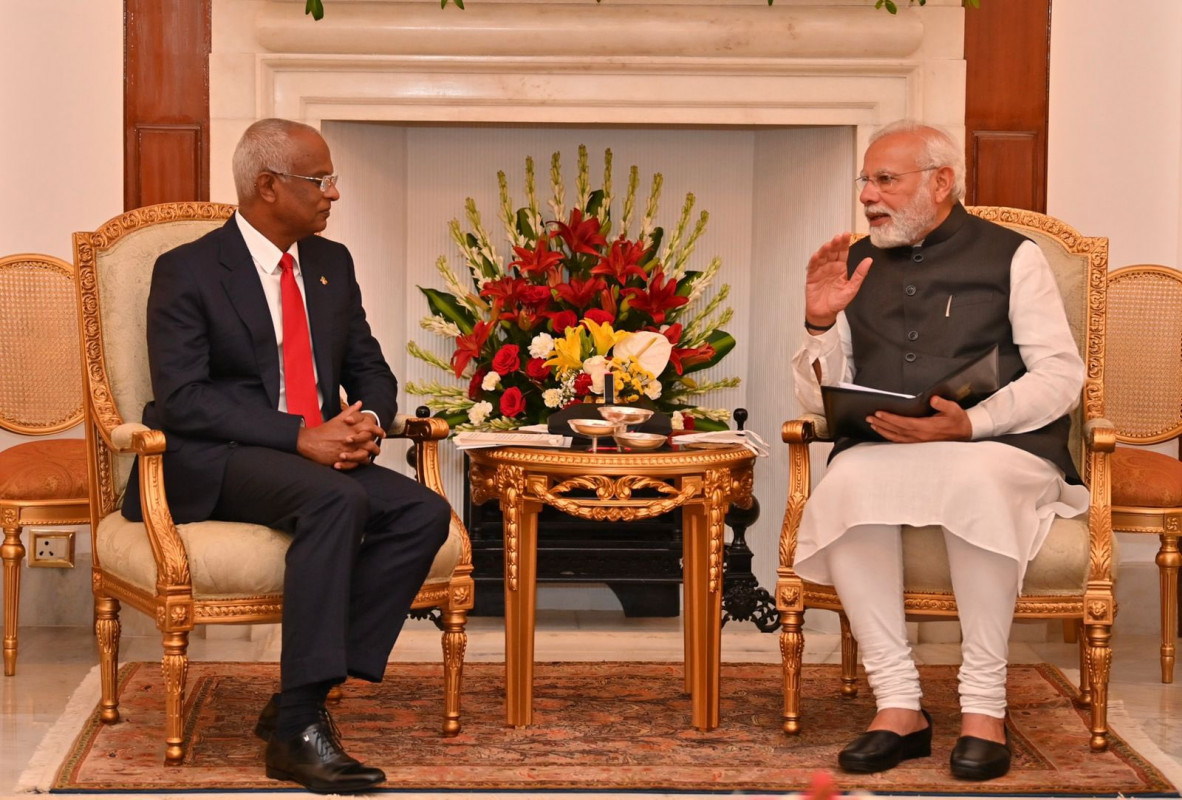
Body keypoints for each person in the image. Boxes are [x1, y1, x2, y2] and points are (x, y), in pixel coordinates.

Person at [123, 118, 451, 793]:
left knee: (423, 513)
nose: (334, 193)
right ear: (269, 186)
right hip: (217, 456)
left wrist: (366, 422)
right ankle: (299, 730)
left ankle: (299, 697)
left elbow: (369, 366)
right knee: (337, 499)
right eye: (320, 180)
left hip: (311, 455)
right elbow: (182, 399)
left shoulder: (331, 264)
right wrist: (302, 435)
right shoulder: (188, 269)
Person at [791, 120, 1089, 782]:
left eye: (884, 180)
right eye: (865, 180)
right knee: (846, 484)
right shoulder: (855, 263)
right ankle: (898, 705)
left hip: (998, 444)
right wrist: (820, 320)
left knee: (975, 483)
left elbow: (1061, 375)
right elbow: (816, 397)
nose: (867, 195)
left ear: (941, 182)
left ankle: (984, 708)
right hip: (889, 443)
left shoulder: (1014, 256)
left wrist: (972, 424)